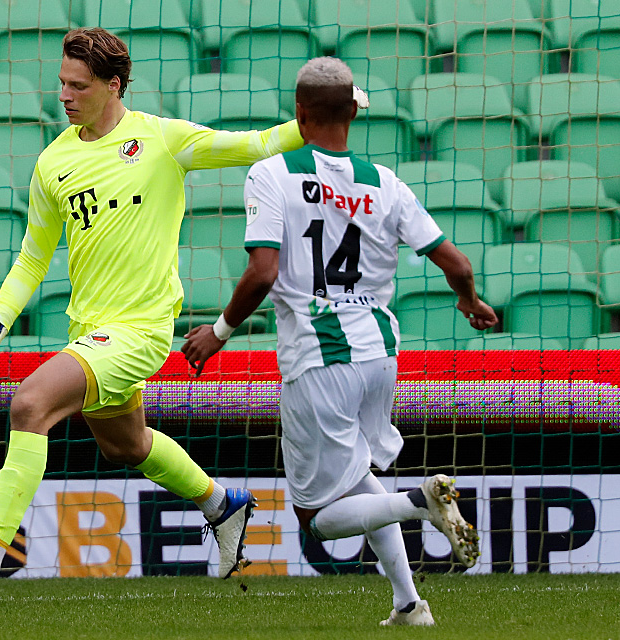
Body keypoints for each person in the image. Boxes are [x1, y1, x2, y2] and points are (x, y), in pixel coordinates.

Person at [0, 27, 312, 602]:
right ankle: (224, 505)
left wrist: (321, 116)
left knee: (30, 404)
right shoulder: (53, 161)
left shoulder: (162, 140)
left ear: (114, 85)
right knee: (126, 446)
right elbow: (33, 257)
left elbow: (258, 144)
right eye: (62, 83)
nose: (64, 95)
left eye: (78, 86)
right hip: (90, 330)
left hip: (141, 330)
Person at [182, 57, 498, 626]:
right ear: (353, 112)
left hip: (318, 358)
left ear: (299, 114)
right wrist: (469, 301)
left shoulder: (271, 174)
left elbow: (263, 272)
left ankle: (420, 503)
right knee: (359, 480)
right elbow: (456, 263)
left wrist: (219, 332)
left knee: (318, 518)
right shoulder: (386, 182)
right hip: (380, 356)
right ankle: (408, 603)